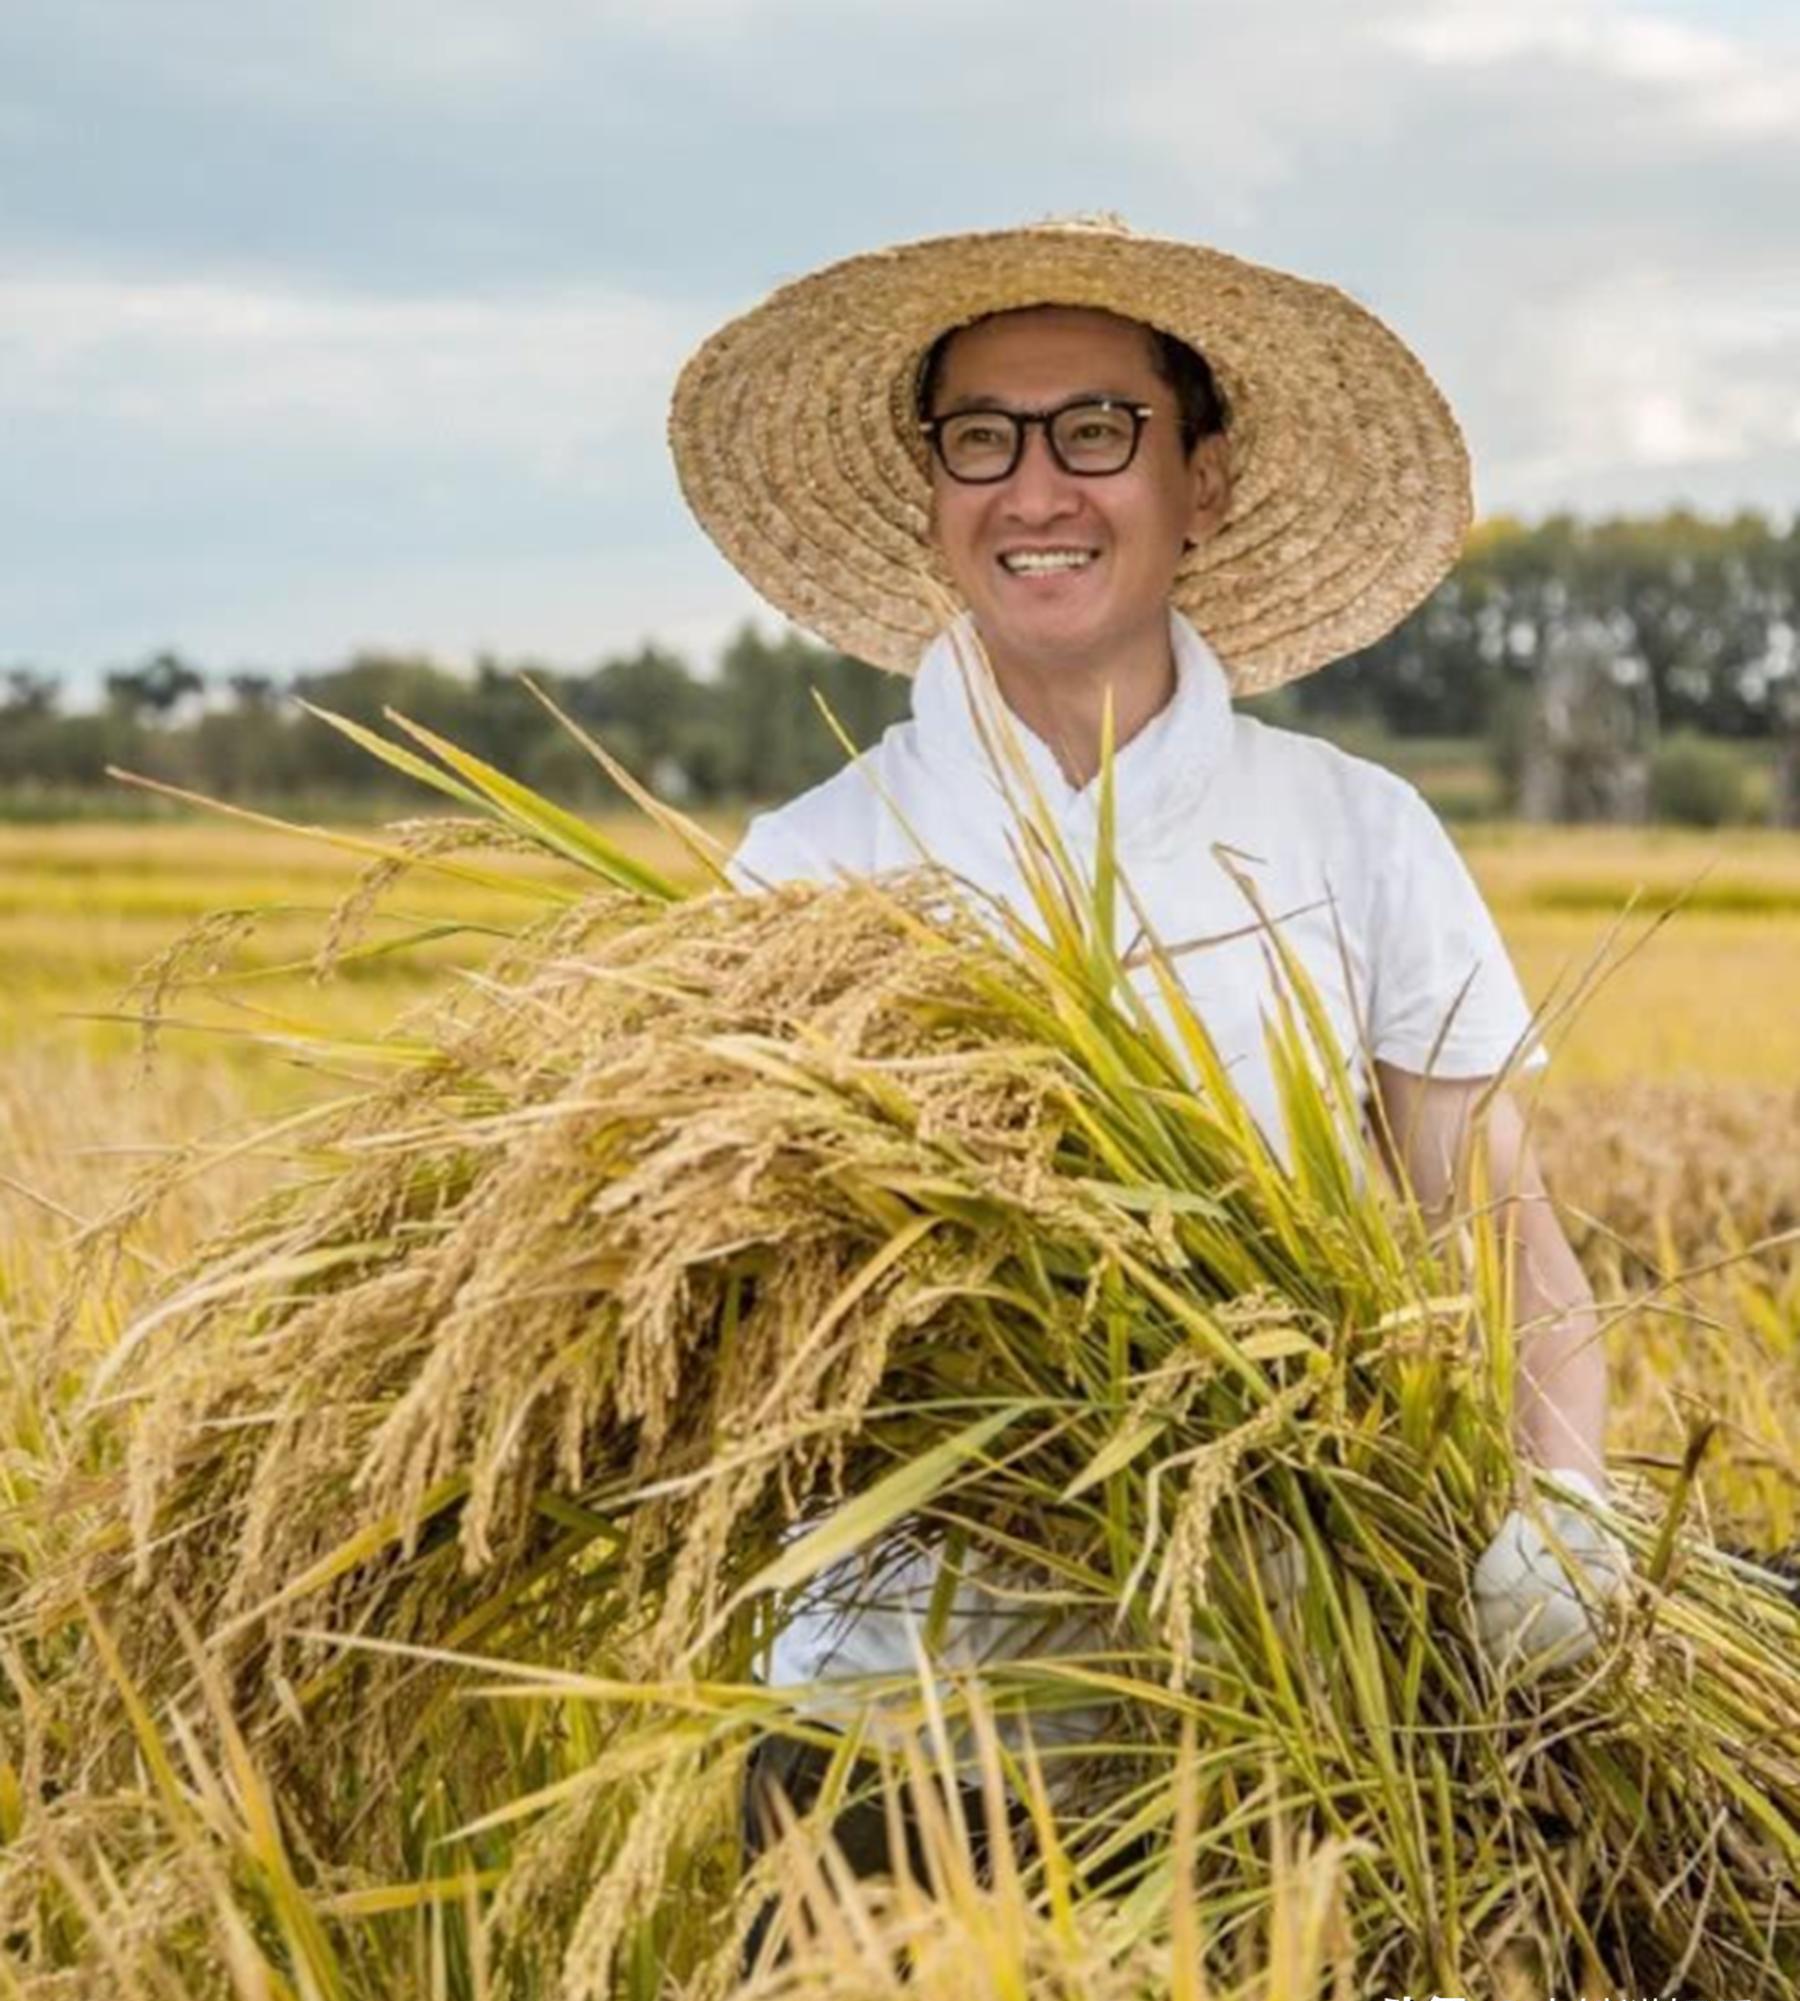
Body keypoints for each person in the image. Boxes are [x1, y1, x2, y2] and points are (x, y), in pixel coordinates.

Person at [667, 216, 1627, 1875]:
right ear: (931, 489)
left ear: (1207, 479)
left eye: (1098, 431)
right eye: (982, 438)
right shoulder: (805, 870)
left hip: (1287, 1723)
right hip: (891, 1739)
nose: (1035, 490)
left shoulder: (1355, 833)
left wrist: (1567, 1504)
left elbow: (1504, 1239)